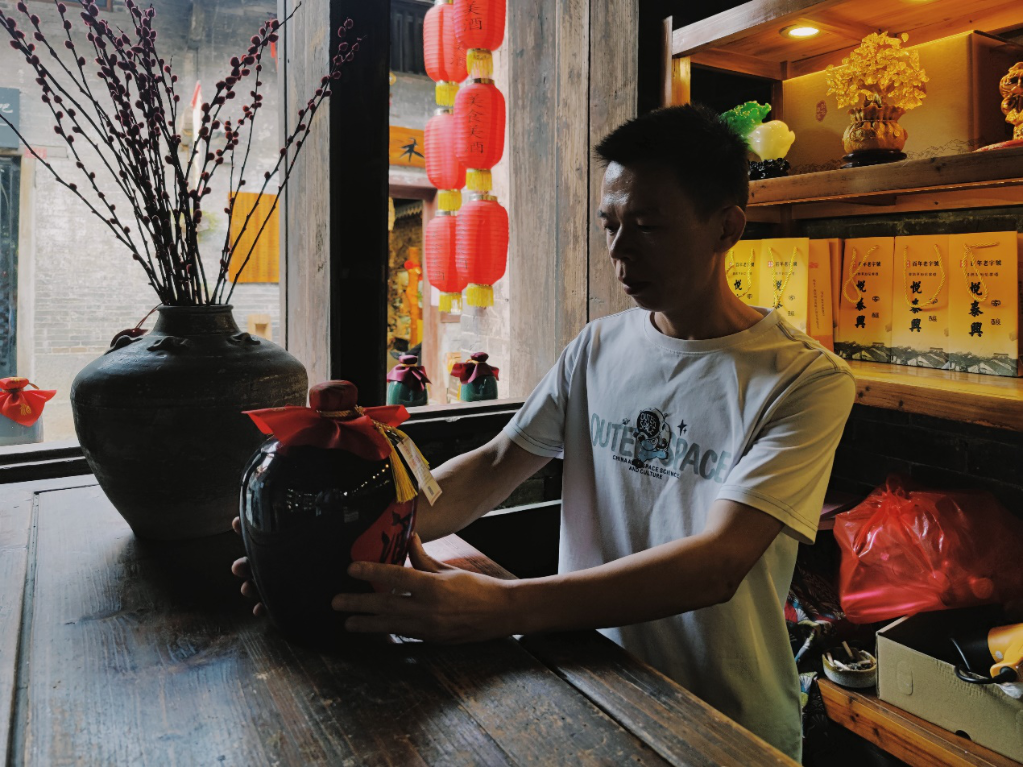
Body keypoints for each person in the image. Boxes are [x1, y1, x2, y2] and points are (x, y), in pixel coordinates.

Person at [232, 103, 856, 761]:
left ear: (726, 227)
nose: (619, 249)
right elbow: (496, 461)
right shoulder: (598, 347)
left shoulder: (803, 379)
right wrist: (326, 552)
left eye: (648, 226)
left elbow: (717, 564)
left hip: (725, 723)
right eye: (610, 225)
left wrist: (501, 607)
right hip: (595, 682)